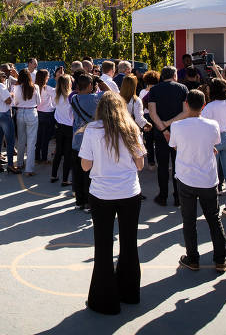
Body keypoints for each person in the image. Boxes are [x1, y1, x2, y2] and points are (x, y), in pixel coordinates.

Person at [79, 92, 146, 315]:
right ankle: (129, 293)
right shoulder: (132, 128)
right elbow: (140, 164)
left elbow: (85, 166)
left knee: (104, 247)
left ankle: (105, 300)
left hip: (102, 194)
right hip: (129, 192)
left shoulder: (92, 130)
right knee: (129, 244)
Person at [169, 89, 226, 273]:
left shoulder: (177, 126)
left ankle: (192, 258)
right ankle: (220, 259)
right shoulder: (212, 125)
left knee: (189, 220)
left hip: (186, 177)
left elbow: (174, 145)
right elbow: (213, 142)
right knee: (213, 219)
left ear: (186, 104)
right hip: (208, 178)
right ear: (204, 105)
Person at [148, 66, 189, 206]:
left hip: (160, 133)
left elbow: (152, 114)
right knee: (178, 164)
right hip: (180, 132)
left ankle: (163, 195)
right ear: (174, 75)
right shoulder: (183, 89)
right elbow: (186, 112)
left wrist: (164, 128)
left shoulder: (154, 90)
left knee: (163, 165)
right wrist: (170, 124)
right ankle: (178, 197)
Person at [71, 74, 109, 211]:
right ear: (90, 86)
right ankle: (88, 202)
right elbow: (111, 94)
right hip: (91, 140)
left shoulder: (74, 99)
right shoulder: (96, 98)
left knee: (77, 172)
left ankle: (79, 201)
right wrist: (99, 80)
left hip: (76, 140)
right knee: (89, 173)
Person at [201, 78, 226, 217]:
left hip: (214, 140)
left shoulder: (209, 107)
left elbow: (203, 124)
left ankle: (213, 205)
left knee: (213, 174)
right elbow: (225, 84)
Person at [14, 68, 41, 176]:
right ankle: (29, 169)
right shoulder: (35, 87)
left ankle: (20, 163)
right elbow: (38, 102)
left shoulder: (16, 87)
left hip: (20, 112)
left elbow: (15, 102)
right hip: (32, 112)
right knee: (31, 142)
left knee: (21, 140)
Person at [51, 74, 74, 186]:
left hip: (59, 126)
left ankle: (54, 175)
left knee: (58, 152)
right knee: (68, 154)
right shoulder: (71, 97)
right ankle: (65, 179)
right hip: (69, 127)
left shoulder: (56, 95)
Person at [140, 70, 160, 168]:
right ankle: (160, 161)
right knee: (158, 139)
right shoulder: (158, 91)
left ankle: (151, 162)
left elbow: (141, 107)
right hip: (157, 116)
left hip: (146, 116)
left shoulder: (142, 92)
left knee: (148, 140)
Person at [35, 69, 55, 164]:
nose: (49, 77)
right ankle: (44, 158)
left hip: (38, 114)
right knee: (45, 138)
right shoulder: (48, 89)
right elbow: (56, 99)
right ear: (45, 77)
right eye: (48, 76)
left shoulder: (34, 88)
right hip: (47, 114)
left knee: (38, 137)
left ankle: (37, 157)